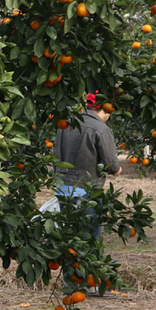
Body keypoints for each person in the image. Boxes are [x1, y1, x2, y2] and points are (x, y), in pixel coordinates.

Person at [52, 93, 123, 240]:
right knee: (88, 237)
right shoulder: (101, 129)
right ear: (105, 109)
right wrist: (117, 169)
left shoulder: (66, 123)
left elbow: (56, 153)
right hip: (86, 189)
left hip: (62, 186)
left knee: (69, 234)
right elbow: (110, 164)